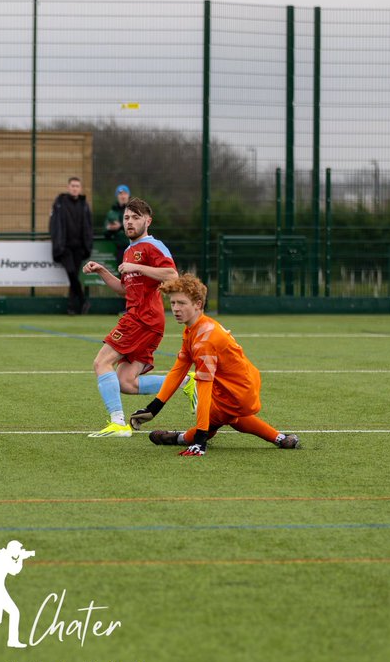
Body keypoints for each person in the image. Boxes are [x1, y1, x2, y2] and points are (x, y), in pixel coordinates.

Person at [128, 273, 299, 456]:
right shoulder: (194, 329)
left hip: (236, 391)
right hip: (240, 385)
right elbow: (178, 370)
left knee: (212, 421)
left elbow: (204, 386)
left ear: (198, 305)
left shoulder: (205, 340)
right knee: (229, 418)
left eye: (182, 303)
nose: (176, 309)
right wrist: (153, 408)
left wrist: (200, 441)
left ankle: (180, 438)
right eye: (173, 303)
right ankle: (281, 438)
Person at [82, 197, 181, 437]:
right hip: (143, 318)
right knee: (126, 382)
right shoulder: (129, 250)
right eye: (126, 217)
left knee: (101, 362)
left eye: (135, 218)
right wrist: (103, 271)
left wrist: (140, 268)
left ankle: (118, 423)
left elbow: (172, 275)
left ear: (148, 221)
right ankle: (185, 383)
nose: (129, 222)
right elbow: (125, 289)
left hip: (142, 318)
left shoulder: (151, 245)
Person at [49, 176, 94, 315]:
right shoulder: (60, 203)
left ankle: (71, 307)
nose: (75, 188)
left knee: (73, 276)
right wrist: (57, 242)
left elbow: (88, 226)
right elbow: (53, 224)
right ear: (68, 187)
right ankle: (83, 300)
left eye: (77, 186)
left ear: (80, 189)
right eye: (72, 186)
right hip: (65, 246)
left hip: (79, 247)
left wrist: (88, 245)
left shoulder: (84, 205)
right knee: (71, 273)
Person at [104, 184, 131, 259]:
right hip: (119, 248)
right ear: (117, 196)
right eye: (120, 194)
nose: (123, 196)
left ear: (129, 195)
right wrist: (109, 228)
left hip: (133, 246)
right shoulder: (111, 212)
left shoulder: (134, 210)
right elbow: (105, 233)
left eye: (125, 193)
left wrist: (120, 226)